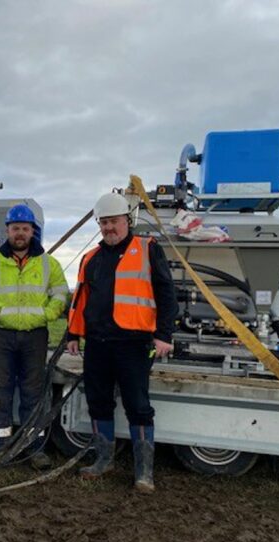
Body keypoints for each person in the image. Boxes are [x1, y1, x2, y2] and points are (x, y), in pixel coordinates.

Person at [66, 177, 177, 492]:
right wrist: (74, 334)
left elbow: (166, 293)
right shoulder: (90, 259)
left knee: (138, 405)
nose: (107, 228)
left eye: (112, 221)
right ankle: (104, 460)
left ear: (126, 221)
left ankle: (144, 472)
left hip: (133, 344)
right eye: (103, 222)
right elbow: (80, 301)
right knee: (98, 401)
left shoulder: (147, 248)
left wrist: (164, 334)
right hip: (97, 344)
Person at [0, 204, 69, 470]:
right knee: (0, 389)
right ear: (8, 230)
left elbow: (61, 294)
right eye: (16, 228)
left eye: (25, 229)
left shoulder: (49, 264)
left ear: (32, 231)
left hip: (34, 335)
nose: (20, 233)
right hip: (1, 334)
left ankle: (32, 447)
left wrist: (46, 315)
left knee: (33, 392)